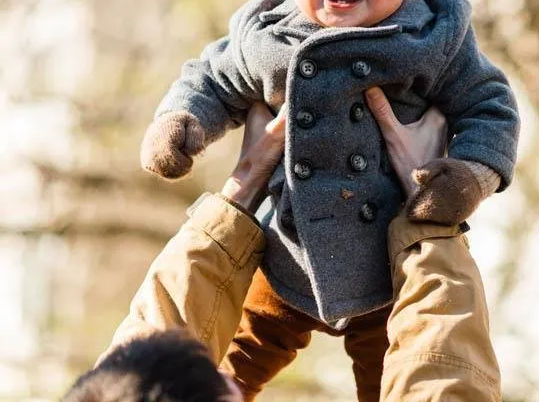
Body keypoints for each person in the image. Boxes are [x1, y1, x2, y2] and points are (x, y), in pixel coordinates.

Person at [139, 0, 519, 399]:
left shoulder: (434, 37)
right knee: (221, 371)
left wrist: (468, 175)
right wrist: (183, 123)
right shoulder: (267, 32)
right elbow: (211, 76)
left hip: (391, 264)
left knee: (398, 370)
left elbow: (489, 105)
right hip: (281, 252)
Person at [63, 94, 501, 402]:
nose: (234, 386)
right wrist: (428, 225)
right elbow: (445, 386)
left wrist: (243, 186)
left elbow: (127, 384)